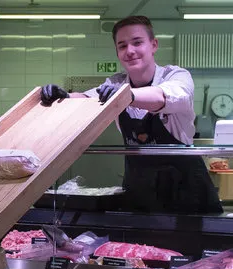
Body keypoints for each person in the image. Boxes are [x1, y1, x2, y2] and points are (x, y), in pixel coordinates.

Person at [41, 16, 222, 214]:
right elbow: (86, 98)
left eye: (137, 42)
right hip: (140, 192)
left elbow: (163, 96)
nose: (130, 51)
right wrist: (64, 96)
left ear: (153, 45)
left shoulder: (176, 75)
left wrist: (127, 95)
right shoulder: (116, 83)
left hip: (187, 194)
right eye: (122, 45)